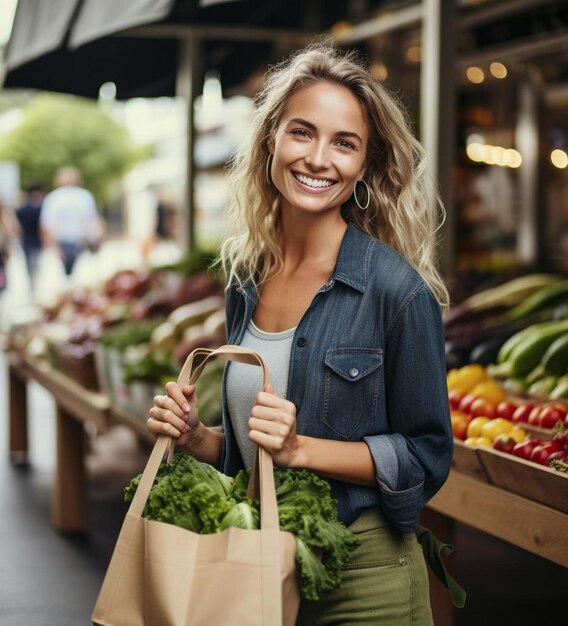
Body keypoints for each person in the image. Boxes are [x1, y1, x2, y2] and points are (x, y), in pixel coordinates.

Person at [148, 44, 453, 625]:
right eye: (302, 133)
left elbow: (427, 457)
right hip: (259, 565)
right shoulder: (246, 278)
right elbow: (248, 451)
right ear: (271, 143)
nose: (319, 159)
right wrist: (196, 438)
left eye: (344, 143)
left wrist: (301, 450)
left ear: (364, 165)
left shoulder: (396, 292)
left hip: (364, 580)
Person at [40, 167, 103, 274]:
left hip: (75, 242)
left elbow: (47, 225)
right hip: (72, 242)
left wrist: (52, 246)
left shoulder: (54, 197)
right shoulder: (84, 196)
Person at [16, 182, 45, 282]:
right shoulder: (41, 209)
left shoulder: (23, 209)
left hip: (26, 240)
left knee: (30, 266)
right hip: (37, 241)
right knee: (36, 266)